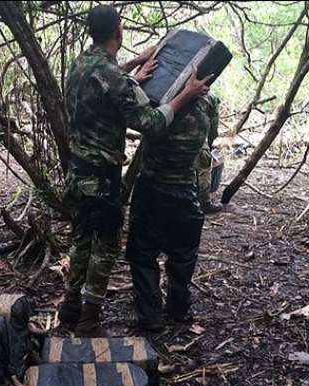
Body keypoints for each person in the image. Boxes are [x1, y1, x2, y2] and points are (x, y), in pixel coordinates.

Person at [59, 5, 210, 336]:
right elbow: (152, 123)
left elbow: (103, 79)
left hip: (77, 171)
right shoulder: (115, 79)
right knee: (105, 245)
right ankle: (89, 318)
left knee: (81, 238)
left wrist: (133, 68)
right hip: (101, 177)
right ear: (119, 32)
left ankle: (69, 305)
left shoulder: (81, 63)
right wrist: (185, 94)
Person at [126, 87, 220, 332]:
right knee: (183, 254)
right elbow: (211, 139)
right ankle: (179, 309)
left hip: (152, 190)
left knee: (143, 254)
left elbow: (140, 120)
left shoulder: (155, 100)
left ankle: (150, 315)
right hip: (184, 191)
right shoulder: (208, 102)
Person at [193, 92, 224, 214]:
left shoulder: (172, 91)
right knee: (204, 170)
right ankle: (204, 203)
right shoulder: (210, 98)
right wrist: (209, 144)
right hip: (198, 141)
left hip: (170, 142)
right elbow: (213, 127)